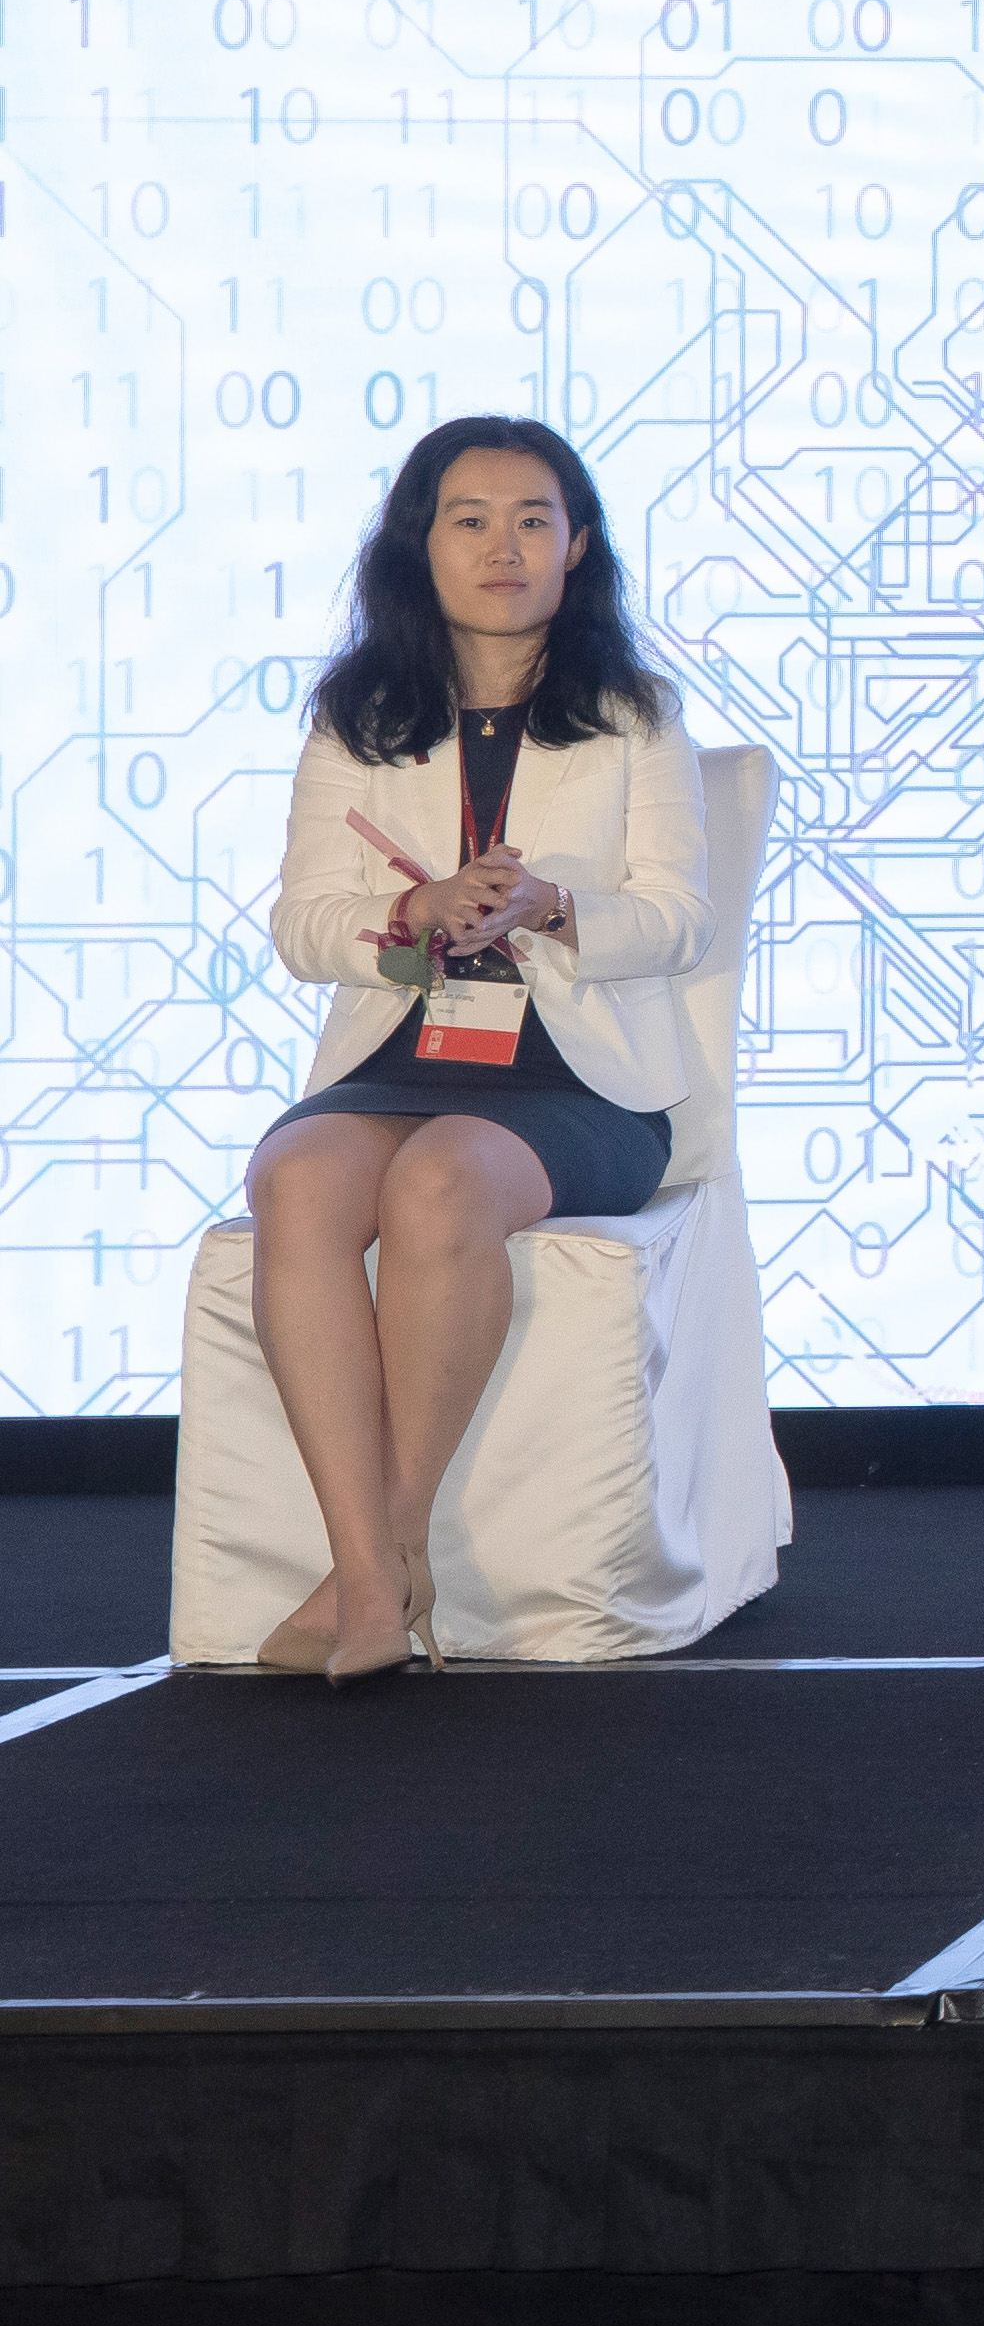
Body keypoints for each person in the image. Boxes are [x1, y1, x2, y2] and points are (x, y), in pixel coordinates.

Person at [249, 418, 713, 1683]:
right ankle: (371, 1567)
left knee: (445, 1178)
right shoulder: (362, 716)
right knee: (297, 1179)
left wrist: (547, 905)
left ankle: (381, 1561)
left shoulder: (633, 716)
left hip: (580, 1076)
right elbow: (299, 926)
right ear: (421, 545)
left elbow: (678, 920)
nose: (502, 547)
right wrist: (409, 914)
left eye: (531, 519)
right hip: (402, 1042)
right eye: (469, 519)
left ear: (578, 547)